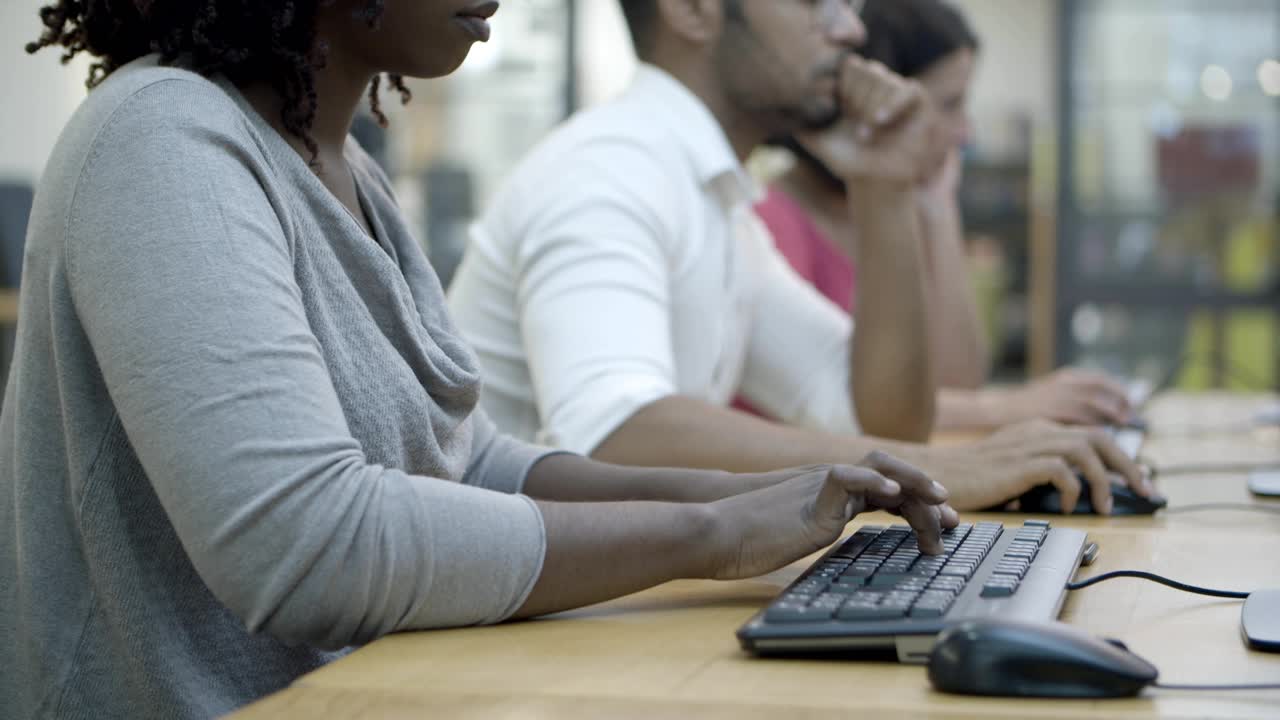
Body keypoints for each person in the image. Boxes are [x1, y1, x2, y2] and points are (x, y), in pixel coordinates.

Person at [0, 2, 957, 717]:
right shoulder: (162, 138)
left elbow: (471, 459)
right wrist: (712, 533)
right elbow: (306, 544)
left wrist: (753, 497)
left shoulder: (346, 168)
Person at [447, 0, 1157, 513]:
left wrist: (884, 188)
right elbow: (611, 433)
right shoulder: (608, 168)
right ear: (691, 10)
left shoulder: (718, 204)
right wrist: (948, 466)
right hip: (498, 637)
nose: (849, 30)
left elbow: (880, 417)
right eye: (814, 2)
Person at [758, 0, 1135, 430]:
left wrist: (939, 207)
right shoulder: (775, 221)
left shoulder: (898, 214)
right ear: (875, 99)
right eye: (950, 104)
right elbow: (843, 411)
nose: (965, 131)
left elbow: (959, 379)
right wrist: (1010, 407)